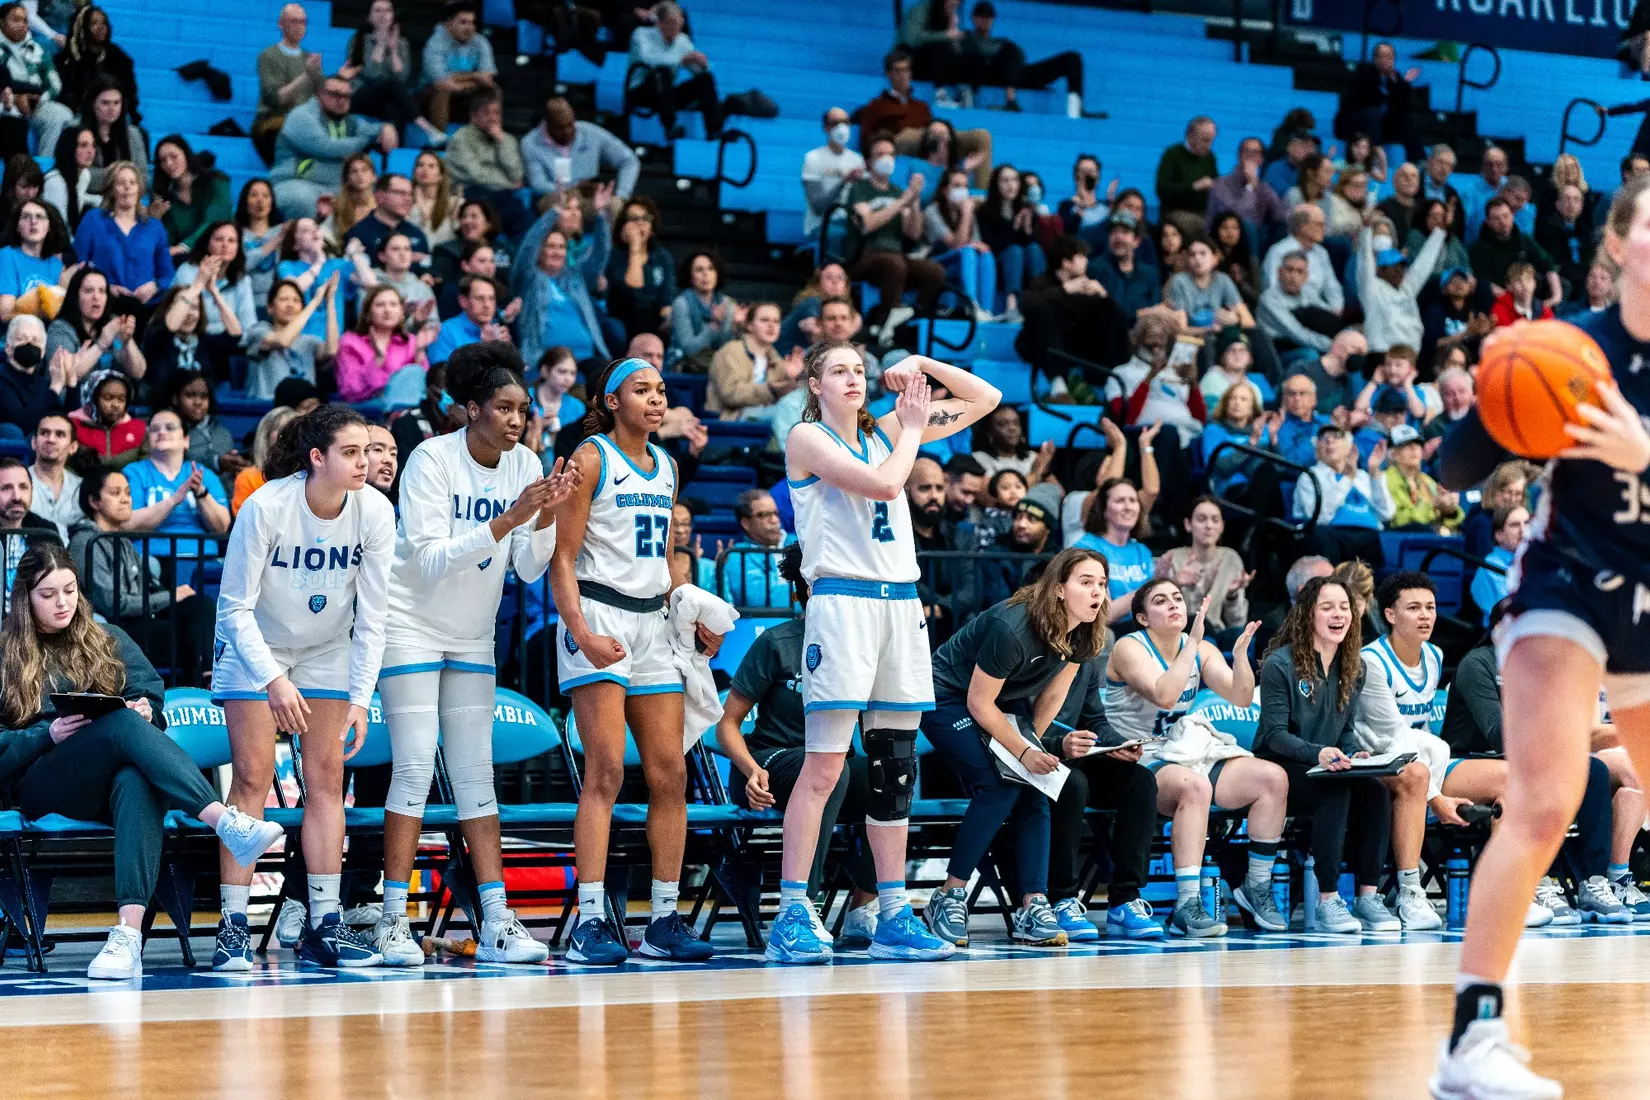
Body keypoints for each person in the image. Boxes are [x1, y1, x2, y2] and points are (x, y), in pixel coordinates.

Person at [1428, 174, 1650, 1096]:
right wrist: (1499, 397)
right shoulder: (1568, 350)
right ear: (1618, 243)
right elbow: (1452, 470)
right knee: (1546, 800)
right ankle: (1472, 1041)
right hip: (1564, 586)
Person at [767, 346, 999, 965]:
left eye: (861, 370)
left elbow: (985, 399)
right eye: (839, 370)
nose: (854, 379)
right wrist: (915, 426)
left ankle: (893, 912)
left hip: (901, 604)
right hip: (842, 604)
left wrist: (924, 362)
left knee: (895, 769)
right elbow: (888, 482)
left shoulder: (890, 429)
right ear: (814, 384)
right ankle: (792, 910)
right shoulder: (807, 438)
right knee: (824, 769)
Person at [372, 343, 577, 966]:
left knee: (475, 777)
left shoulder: (526, 464)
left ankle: (496, 919)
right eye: (504, 407)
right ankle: (390, 921)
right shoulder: (431, 459)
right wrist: (513, 514)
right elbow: (430, 558)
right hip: (409, 624)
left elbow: (525, 568)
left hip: (472, 634)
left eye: (523, 409)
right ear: (470, 410)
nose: (517, 420)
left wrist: (545, 519)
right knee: (411, 769)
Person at [0, 544, 282, 980]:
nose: (63, 603)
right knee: (119, 727)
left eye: (70, 591)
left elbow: (152, 695)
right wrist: (46, 734)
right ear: (24, 598)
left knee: (136, 776)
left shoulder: (107, 637)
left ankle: (128, 936)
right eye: (48, 594)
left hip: (108, 778)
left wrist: (150, 710)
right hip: (42, 784)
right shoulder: (7, 651)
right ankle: (224, 821)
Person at [208, 405, 396, 972]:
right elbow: (234, 607)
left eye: (369, 451)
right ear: (317, 458)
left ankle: (325, 924)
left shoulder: (376, 512)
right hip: (255, 642)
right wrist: (272, 680)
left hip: (326, 649)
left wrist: (361, 699)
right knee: (250, 779)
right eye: (352, 452)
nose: (366, 462)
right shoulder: (267, 507)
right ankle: (233, 927)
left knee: (327, 779)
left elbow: (374, 618)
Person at [549, 356, 722, 965]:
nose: (655, 399)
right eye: (641, 390)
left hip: (652, 621)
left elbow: (666, 561)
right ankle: (591, 922)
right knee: (605, 772)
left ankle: (664, 919)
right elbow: (562, 558)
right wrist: (580, 632)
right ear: (612, 401)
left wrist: (689, 610)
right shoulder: (592, 457)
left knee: (670, 771)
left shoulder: (668, 465)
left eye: (661, 390)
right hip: (598, 615)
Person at [920, 549, 1111, 948]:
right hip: (948, 696)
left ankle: (1032, 904)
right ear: (1059, 589)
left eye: (1102, 583)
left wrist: (1030, 754)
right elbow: (978, 703)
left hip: (1003, 702)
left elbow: (1055, 694)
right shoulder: (1014, 627)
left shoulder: (1087, 629)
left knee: (1031, 785)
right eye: (1086, 582)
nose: (1097, 592)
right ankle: (948, 896)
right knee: (999, 785)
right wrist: (1022, 754)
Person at [715, 543, 879, 938]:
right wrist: (750, 769)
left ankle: (864, 903)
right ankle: (803, 907)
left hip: (833, 763)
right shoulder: (777, 642)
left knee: (892, 775)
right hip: (767, 766)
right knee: (830, 770)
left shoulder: (860, 644)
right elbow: (726, 725)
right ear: (802, 590)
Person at [1104, 578, 1280, 937]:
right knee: (1195, 787)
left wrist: (1242, 655)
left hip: (1176, 749)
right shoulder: (1129, 647)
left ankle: (1256, 887)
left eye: (1177, 598)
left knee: (1272, 779)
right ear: (1142, 618)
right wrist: (1196, 644)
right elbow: (1164, 696)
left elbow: (1241, 696)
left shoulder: (1198, 647)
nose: (1173, 605)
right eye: (1160, 601)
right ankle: (1187, 904)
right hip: (1130, 756)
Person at [1253, 575, 1395, 934]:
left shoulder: (1355, 666)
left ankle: (1368, 895)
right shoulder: (1280, 664)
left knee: (1376, 791)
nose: (1339, 615)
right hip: (1280, 765)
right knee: (1335, 790)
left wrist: (1353, 753)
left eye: (1344, 607)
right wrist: (1319, 754)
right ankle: (1328, 900)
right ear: (1308, 615)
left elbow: (1344, 728)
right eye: (1327, 607)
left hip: (1326, 763)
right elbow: (1275, 735)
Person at [844, 134, 945, 337]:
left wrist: (914, 200)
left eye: (890, 154)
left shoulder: (898, 191)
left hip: (896, 255)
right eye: (880, 154)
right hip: (864, 255)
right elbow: (866, 224)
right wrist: (902, 202)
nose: (886, 158)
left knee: (935, 272)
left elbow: (913, 233)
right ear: (869, 160)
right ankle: (884, 324)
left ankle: (913, 317)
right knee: (894, 264)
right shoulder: (860, 188)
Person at [270, 75, 396, 222]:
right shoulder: (301, 116)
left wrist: (385, 127)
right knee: (302, 199)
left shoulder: (348, 120)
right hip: (297, 182)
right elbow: (326, 146)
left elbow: (368, 130)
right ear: (319, 93)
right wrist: (368, 140)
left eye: (347, 96)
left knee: (385, 196)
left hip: (338, 187)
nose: (341, 100)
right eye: (334, 94)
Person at [339, 0, 444, 146]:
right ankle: (426, 127)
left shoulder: (402, 43)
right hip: (361, 96)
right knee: (390, 86)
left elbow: (402, 77)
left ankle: (394, 152)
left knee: (394, 109)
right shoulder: (359, 40)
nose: (383, 15)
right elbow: (373, 75)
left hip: (389, 98)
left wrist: (394, 50)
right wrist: (381, 45)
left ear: (393, 16)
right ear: (369, 17)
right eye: (377, 11)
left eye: (387, 10)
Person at [70, 161, 170, 304]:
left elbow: (168, 275)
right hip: (104, 304)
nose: (127, 187)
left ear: (139, 189)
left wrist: (155, 286)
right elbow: (78, 265)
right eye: (121, 183)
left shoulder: (155, 227)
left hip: (147, 306)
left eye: (133, 182)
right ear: (111, 189)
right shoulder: (93, 219)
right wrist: (105, 287)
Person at [121, 410, 230, 539]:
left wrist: (201, 493)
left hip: (202, 556)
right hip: (149, 556)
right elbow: (127, 524)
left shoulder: (205, 474)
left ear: (186, 441)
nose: (161, 432)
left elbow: (222, 528)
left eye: (170, 428)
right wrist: (173, 501)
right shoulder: (134, 472)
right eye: (155, 429)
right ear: (148, 439)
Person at [1156, 495, 1250, 644]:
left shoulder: (1231, 559)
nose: (1209, 526)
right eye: (1201, 519)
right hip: (1182, 633)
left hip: (1218, 632)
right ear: (1188, 524)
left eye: (1215, 520)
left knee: (1242, 636)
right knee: (1205, 635)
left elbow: (1237, 622)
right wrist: (1176, 584)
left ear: (1222, 526)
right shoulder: (1173, 558)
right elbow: (1158, 613)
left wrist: (1232, 595)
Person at [1293, 425, 1393, 563]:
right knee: (1320, 534)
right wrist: (1347, 478)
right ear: (1316, 451)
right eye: (1324, 438)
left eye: (1336, 437)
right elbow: (1319, 517)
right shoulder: (1310, 476)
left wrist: (1375, 473)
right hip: (1332, 534)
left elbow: (1386, 514)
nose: (1329, 441)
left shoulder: (1363, 476)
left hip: (1369, 535)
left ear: (1350, 447)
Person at [626, 1, 720, 140]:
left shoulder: (682, 39)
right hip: (642, 90)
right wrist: (681, 60)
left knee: (705, 79)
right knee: (662, 72)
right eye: (672, 22)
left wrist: (702, 64)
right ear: (660, 23)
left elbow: (695, 68)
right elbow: (648, 60)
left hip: (666, 94)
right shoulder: (641, 35)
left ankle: (714, 130)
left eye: (679, 22)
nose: (677, 27)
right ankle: (670, 127)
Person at [522, 96, 640, 206]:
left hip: (589, 198)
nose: (567, 131)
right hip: (554, 198)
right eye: (560, 127)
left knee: (615, 205)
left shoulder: (590, 133)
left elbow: (629, 160)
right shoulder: (530, 143)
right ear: (547, 124)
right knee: (558, 205)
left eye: (570, 124)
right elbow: (538, 185)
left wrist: (622, 195)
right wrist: (574, 189)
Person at [512, 226, 602, 368]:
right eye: (551, 246)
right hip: (549, 361)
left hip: (585, 357)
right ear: (539, 251)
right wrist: (553, 213)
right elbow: (527, 249)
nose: (557, 252)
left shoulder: (575, 279)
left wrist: (602, 217)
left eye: (561, 247)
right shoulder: (529, 278)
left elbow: (599, 256)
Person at [445, 88, 528, 238]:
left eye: (496, 113)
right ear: (473, 115)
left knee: (519, 210)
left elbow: (517, 173)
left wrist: (501, 142)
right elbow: (477, 175)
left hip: (500, 193)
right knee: (487, 204)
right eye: (487, 113)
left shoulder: (507, 139)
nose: (493, 118)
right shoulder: (461, 139)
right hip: (470, 191)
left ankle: (514, 254)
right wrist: (509, 182)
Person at [243, 275, 340, 401]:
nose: (290, 305)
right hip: (267, 410)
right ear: (270, 308)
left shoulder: (309, 341)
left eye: (296, 300)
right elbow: (282, 341)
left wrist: (330, 300)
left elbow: (331, 350)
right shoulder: (258, 331)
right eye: (284, 299)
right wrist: (315, 302)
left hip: (303, 412)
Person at [170, 221, 256, 361]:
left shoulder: (242, 280)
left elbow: (247, 327)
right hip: (192, 344)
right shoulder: (187, 271)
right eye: (219, 239)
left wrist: (214, 292)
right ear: (207, 244)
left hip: (228, 346)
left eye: (232, 241)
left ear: (238, 247)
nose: (225, 245)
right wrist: (200, 282)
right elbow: (175, 320)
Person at [707, 300, 801, 422]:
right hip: (734, 417)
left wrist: (793, 377)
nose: (771, 326)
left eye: (776, 321)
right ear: (749, 325)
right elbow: (730, 394)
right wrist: (771, 390)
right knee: (792, 412)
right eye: (764, 320)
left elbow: (784, 393)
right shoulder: (731, 351)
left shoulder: (775, 358)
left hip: (767, 415)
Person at [334, 285, 430, 403]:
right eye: (380, 305)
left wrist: (420, 355)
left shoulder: (410, 341)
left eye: (393, 304)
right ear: (368, 313)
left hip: (407, 410)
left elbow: (422, 388)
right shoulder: (350, 342)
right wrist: (378, 359)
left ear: (401, 313)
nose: (387, 310)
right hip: (366, 412)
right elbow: (351, 391)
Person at [0, 2, 72, 157]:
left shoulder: (37, 49)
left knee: (64, 115)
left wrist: (37, 101)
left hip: (36, 104)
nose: (22, 25)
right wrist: (15, 98)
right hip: (5, 104)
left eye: (25, 20)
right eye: (16, 20)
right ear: (2, 22)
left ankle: (44, 167)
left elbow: (55, 84)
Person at [254, 3, 323, 161]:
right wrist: (306, 75)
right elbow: (274, 100)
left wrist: (341, 77)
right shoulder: (268, 56)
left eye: (303, 22)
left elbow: (322, 98)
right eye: (294, 21)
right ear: (281, 24)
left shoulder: (309, 59)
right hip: (273, 120)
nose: (299, 26)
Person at [1336, 42, 1424, 163]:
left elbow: (1403, 107)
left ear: (1393, 60)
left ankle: (1418, 160)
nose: (1384, 60)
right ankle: (1373, 157)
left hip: (1380, 128)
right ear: (1375, 59)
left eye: (1389, 57)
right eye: (1381, 56)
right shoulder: (1364, 72)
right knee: (1373, 112)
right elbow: (1370, 100)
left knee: (1405, 117)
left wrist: (1404, 84)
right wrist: (1395, 88)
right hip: (1356, 125)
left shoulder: (1395, 78)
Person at [603, 196, 675, 343]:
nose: (640, 223)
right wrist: (634, 248)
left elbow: (667, 297)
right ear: (623, 226)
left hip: (656, 321)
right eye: (634, 219)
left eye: (645, 218)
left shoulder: (662, 256)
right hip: (625, 320)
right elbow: (633, 292)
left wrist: (668, 318)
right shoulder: (614, 255)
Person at [421, 1, 498, 133]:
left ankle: (491, 134)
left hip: (465, 94)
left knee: (493, 89)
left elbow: (488, 76)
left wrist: (459, 82)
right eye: (463, 22)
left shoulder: (480, 42)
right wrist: (474, 77)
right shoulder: (435, 43)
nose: (469, 28)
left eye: (472, 23)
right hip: (430, 96)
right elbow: (440, 80)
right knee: (443, 89)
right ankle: (440, 138)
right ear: (449, 24)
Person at [150, 136, 232, 255]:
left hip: (222, 252)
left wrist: (184, 246)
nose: (169, 163)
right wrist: (156, 220)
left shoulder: (217, 181)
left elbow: (215, 220)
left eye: (174, 156)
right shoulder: (168, 199)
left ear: (186, 154)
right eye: (163, 160)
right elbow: (167, 241)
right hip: (187, 261)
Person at [56, 6, 137, 127]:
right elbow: (66, 94)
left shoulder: (119, 58)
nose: (100, 27)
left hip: (113, 111)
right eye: (94, 23)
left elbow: (129, 92)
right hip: (78, 112)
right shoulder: (69, 58)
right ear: (83, 27)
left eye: (104, 23)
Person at [718, 488, 793, 609]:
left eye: (775, 513)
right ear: (746, 523)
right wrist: (804, 594)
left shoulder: (800, 543)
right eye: (763, 515)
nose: (774, 520)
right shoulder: (737, 555)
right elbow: (757, 600)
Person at [1262, 204, 1344, 314]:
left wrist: (1336, 309)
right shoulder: (1278, 251)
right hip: (1290, 311)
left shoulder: (1321, 252)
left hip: (1319, 311)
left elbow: (1332, 287)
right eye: (1320, 224)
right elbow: (1272, 289)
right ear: (1302, 226)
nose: (1324, 229)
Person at [0, 198, 71, 323]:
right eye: (26, 216)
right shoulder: (7, 255)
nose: (33, 221)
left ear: (49, 227)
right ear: (17, 226)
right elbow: (5, 313)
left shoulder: (56, 265)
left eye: (40, 217)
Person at [800, 107, 865, 241]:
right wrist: (843, 182)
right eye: (835, 123)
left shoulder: (858, 160)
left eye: (846, 122)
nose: (842, 127)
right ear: (826, 128)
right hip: (822, 224)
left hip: (849, 222)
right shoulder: (813, 158)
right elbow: (818, 207)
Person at [1384, 424, 1462, 532]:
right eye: (1406, 445)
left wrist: (1449, 510)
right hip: (1402, 538)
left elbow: (1453, 519)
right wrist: (1433, 505)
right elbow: (1397, 520)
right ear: (1393, 454)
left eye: (1417, 444)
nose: (1414, 449)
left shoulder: (1426, 480)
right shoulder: (1386, 480)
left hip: (1430, 536)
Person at [669, 249, 739, 366]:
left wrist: (736, 327)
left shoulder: (727, 303)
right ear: (690, 277)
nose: (706, 274)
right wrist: (714, 326)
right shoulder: (681, 304)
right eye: (699, 270)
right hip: (685, 364)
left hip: (718, 366)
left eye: (711, 269)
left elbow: (724, 346)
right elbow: (689, 349)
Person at [428, 274, 511, 365]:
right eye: (480, 298)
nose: (487, 305)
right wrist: (486, 349)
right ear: (463, 301)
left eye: (491, 298)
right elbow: (442, 376)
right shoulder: (445, 332)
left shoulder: (498, 332)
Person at [231, 406, 299, 516]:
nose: (289, 436)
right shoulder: (247, 478)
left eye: (294, 431)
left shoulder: (309, 477)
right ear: (266, 435)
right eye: (282, 430)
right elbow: (246, 523)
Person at [1469, 505, 1526, 624]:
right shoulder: (1489, 568)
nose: (1523, 529)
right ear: (1499, 535)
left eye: (1527, 523)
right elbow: (1503, 616)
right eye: (1515, 525)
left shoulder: (1541, 562)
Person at [1156, 116, 1218, 220]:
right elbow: (1162, 190)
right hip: (1177, 211)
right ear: (1191, 136)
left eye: (1211, 141)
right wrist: (1193, 187)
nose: (1209, 146)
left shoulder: (1210, 157)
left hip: (1204, 212)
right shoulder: (1172, 155)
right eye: (1205, 140)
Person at [27, 412, 78, 539]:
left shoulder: (81, 488)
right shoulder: (15, 485)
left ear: (73, 447)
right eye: (44, 433)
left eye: (60, 434)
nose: (51, 439)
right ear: (34, 442)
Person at [41, 126, 98, 233]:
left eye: (93, 145)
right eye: (83, 145)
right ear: (69, 148)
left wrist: (98, 200)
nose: (91, 151)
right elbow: (57, 229)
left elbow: (78, 197)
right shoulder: (55, 183)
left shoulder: (84, 175)